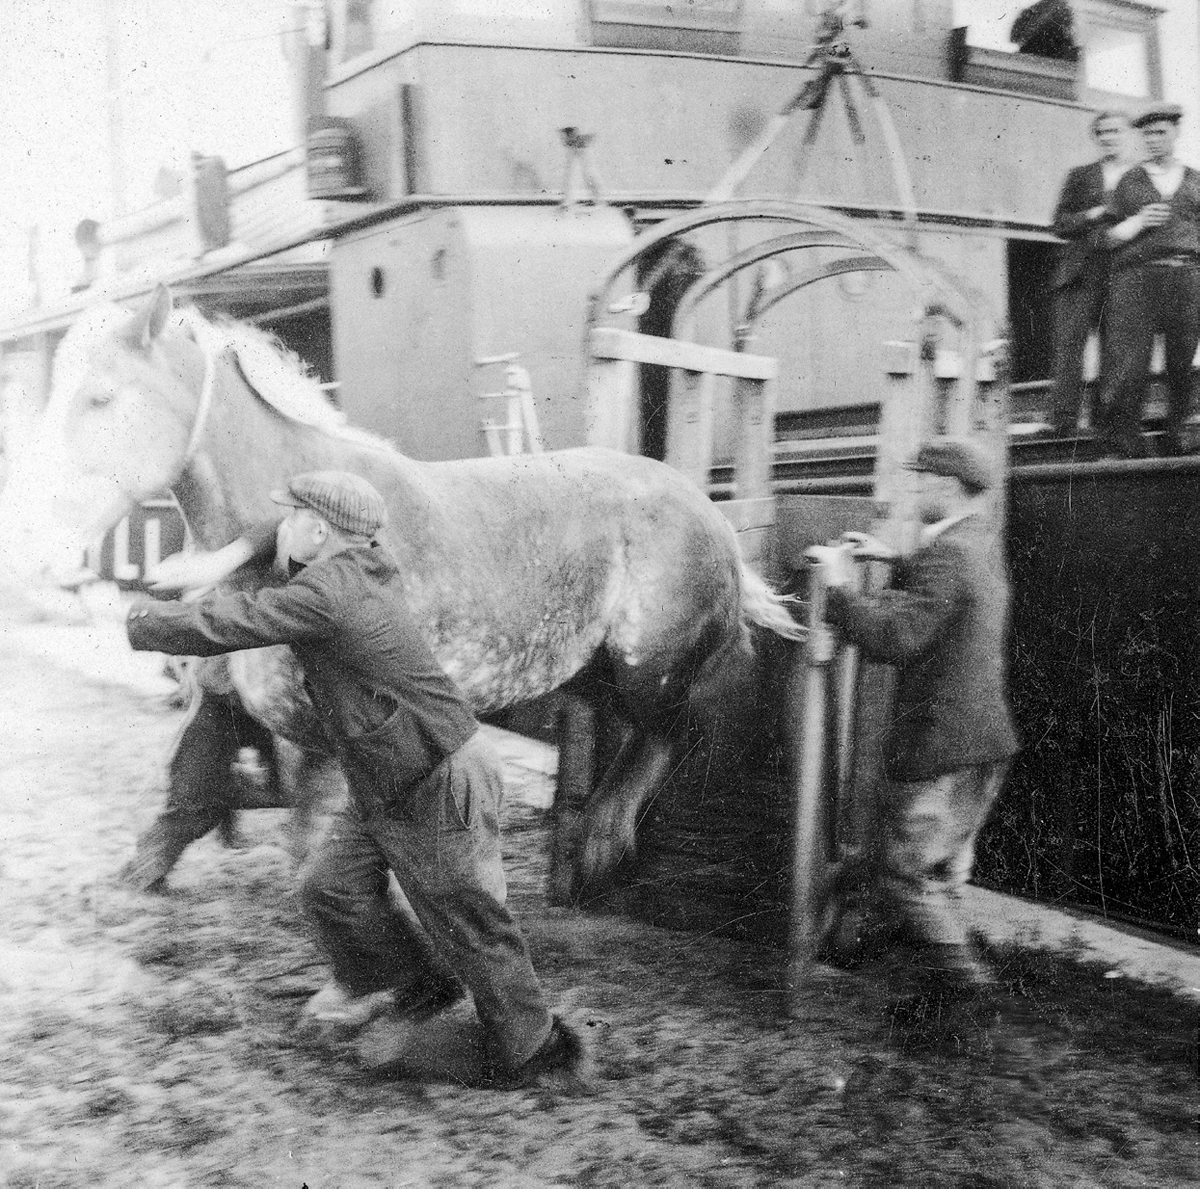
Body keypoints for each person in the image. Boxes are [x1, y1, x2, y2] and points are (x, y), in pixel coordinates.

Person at [125, 470, 588, 1091]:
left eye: (292, 519)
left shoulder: (330, 592)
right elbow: (278, 539)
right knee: (329, 885)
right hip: (387, 772)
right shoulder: (366, 564)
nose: (281, 528)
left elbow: (234, 622)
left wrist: (137, 616)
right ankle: (419, 985)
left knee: (466, 916)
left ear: (318, 530)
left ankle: (537, 1052)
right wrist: (257, 541)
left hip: (437, 775)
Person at [813, 439, 1020, 1004]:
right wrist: (891, 558)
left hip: (941, 748)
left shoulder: (948, 554)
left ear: (949, 487)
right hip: (983, 743)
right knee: (941, 873)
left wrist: (834, 589)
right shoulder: (977, 539)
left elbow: (896, 637)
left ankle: (971, 998)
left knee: (903, 876)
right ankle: (942, 996)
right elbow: (945, 592)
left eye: (922, 480)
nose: (915, 490)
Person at [1101, 103, 1200, 458]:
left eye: (1161, 132)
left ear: (1176, 133)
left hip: (1186, 277)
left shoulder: (1195, 179)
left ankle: (1178, 436)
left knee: (1182, 360)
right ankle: (1128, 443)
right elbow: (1107, 237)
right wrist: (1139, 221)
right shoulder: (1130, 180)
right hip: (1138, 279)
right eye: (1147, 134)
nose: (1154, 140)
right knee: (1132, 363)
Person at [1048, 111, 1134, 444]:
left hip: (1122, 274)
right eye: (1103, 132)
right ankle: (1062, 420)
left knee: (1116, 348)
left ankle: (1106, 420)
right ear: (1096, 138)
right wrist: (1095, 213)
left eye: (1116, 131)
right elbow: (1059, 223)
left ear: (1128, 134)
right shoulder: (1080, 175)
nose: (1109, 137)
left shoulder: (1142, 178)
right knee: (1069, 346)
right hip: (1080, 274)